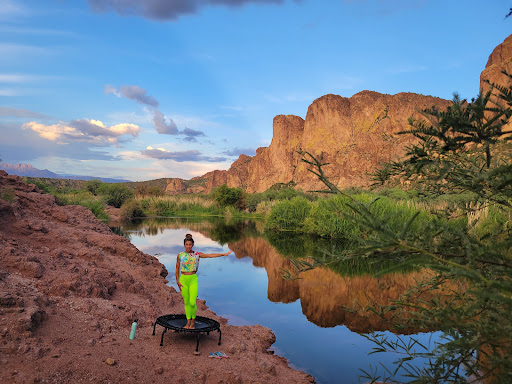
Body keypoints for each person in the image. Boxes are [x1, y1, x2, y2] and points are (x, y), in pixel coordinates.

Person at [176, 233, 232, 329]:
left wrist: (223, 254)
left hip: (193, 279)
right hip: (183, 280)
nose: (188, 246)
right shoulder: (180, 255)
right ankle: (188, 322)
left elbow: (210, 255)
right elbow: (177, 268)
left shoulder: (197, 254)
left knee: (193, 302)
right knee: (186, 302)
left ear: (192, 245)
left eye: (190, 244)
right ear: (184, 245)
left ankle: (193, 323)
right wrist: (177, 281)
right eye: (187, 244)